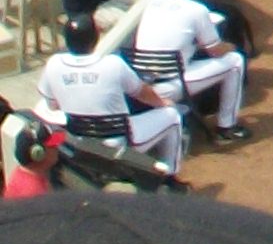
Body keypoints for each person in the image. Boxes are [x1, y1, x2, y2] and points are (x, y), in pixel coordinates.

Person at [120, 0, 248, 148]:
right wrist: (233, 45)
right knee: (235, 61)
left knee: (188, 55)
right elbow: (215, 50)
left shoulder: (155, 1)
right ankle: (226, 127)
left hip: (142, 84)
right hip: (171, 86)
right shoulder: (197, 10)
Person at [37, 10, 182, 175]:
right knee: (173, 116)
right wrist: (163, 103)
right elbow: (143, 94)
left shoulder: (54, 64)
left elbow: (52, 105)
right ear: (95, 38)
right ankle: (171, 175)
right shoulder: (113, 64)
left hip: (79, 141)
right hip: (117, 145)